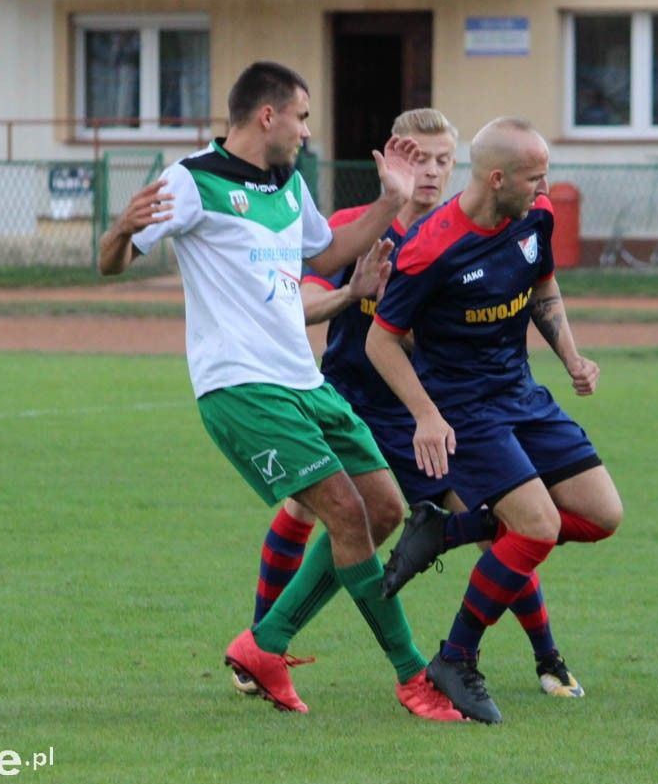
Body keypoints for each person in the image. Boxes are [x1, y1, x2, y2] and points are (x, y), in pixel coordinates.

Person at [97, 61, 461, 722]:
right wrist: (121, 230)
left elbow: (325, 255)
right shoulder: (192, 180)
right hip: (241, 385)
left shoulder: (288, 185)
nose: (307, 131)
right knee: (345, 513)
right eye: (303, 117)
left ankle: (265, 645)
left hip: (304, 380)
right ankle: (415, 677)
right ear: (268, 115)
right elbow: (110, 263)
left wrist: (391, 200)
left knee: (383, 509)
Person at [248, 108, 585, 701]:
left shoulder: (461, 236)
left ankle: (547, 656)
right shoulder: (356, 228)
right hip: (350, 400)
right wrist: (354, 294)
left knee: (501, 523)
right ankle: (260, 647)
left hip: (425, 411)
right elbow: (298, 307)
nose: (430, 171)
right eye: (418, 159)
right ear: (394, 159)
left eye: (442, 160)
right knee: (311, 509)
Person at [365, 117, 624, 724]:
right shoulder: (430, 247)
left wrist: (571, 357)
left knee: (603, 515)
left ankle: (450, 530)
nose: (545, 189)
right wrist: (426, 416)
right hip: (464, 409)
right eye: (536, 178)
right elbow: (381, 340)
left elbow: (544, 289)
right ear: (498, 178)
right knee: (536, 527)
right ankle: (455, 658)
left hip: (522, 394)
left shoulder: (535, 217)